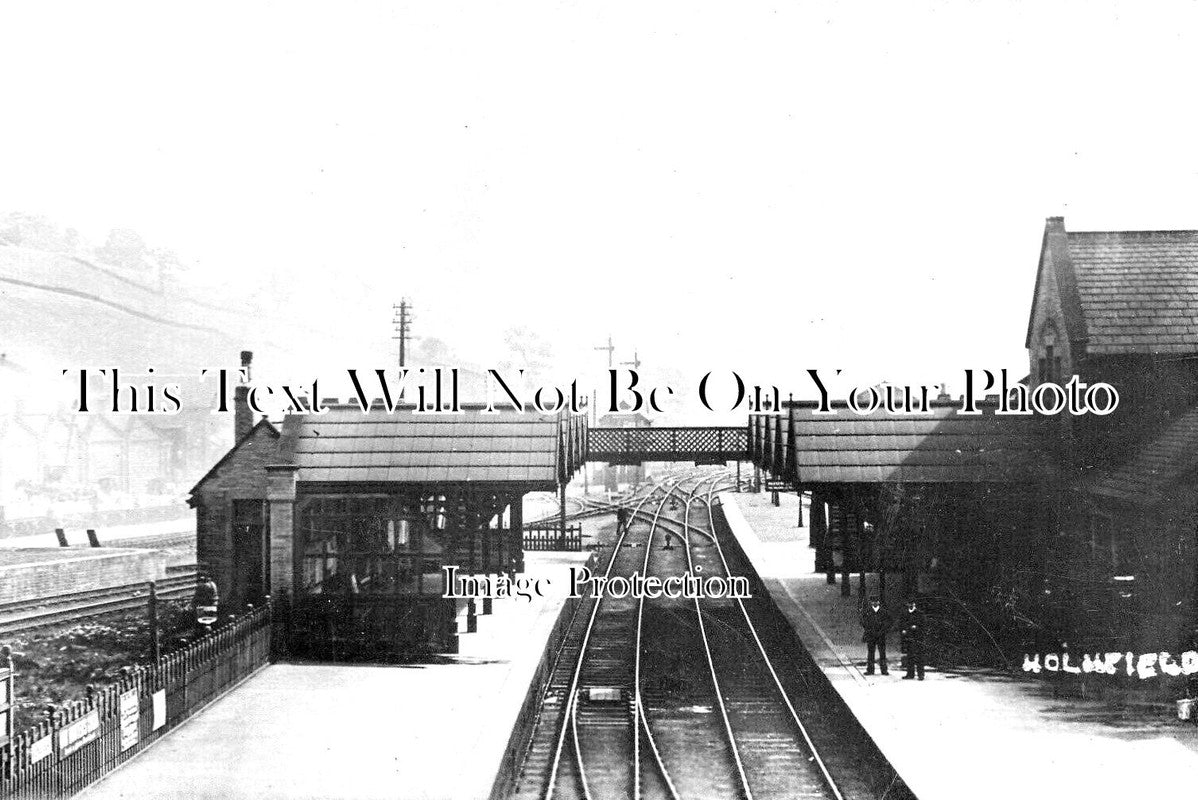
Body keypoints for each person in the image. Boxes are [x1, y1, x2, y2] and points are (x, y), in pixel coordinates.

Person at [860, 595, 892, 675]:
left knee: (882, 653)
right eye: (873, 601)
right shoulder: (867, 611)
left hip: (881, 635)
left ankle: (884, 670)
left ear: (879, 602)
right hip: (871, 634)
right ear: (871, 602)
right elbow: (863, 621)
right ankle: (870, 670)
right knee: (871, 652)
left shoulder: (883, 612)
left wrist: (883, 630)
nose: (875, 603)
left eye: (876, 601)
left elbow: (889, 622)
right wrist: (869, 629)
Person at [900, 597, 926, 680]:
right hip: (908, 637)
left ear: (914, 604)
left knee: (919, 656)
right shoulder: (904, 613)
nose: (911, 605)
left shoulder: (919, 613)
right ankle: (910, 674)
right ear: (907, 604)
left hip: (918, 637)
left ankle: (920, 674)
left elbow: (924, 625)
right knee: (910, 656)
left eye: (912, 603)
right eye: (909, 603)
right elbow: (901, 624)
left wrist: (917, 627)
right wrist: (903, 630)